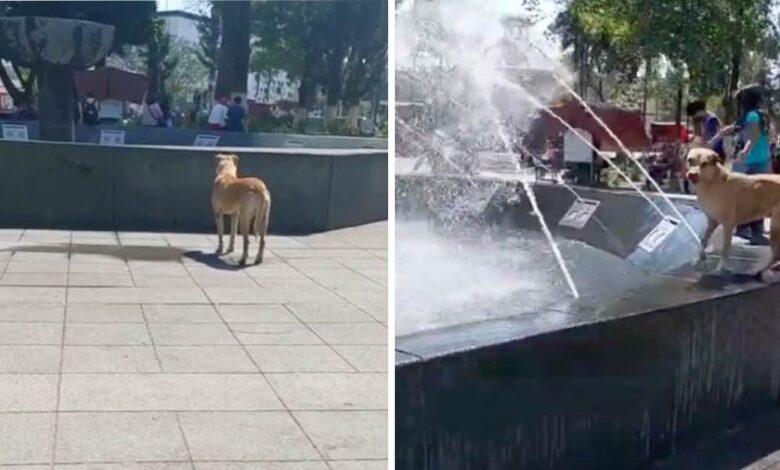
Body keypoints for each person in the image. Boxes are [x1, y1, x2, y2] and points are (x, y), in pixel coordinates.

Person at [733, 85, 771, 244]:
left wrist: (744, 152)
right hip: (764, 159)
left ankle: (743, 228)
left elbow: (753, 136)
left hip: (750, 161)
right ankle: (757, 231)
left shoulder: (751, 116)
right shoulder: (764, 115)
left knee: (744, 196)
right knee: (760, 198)